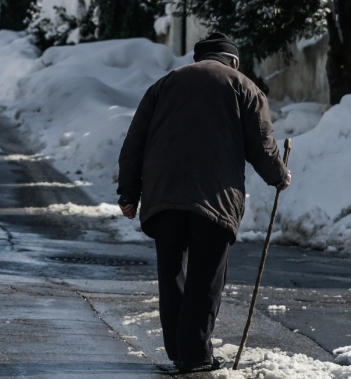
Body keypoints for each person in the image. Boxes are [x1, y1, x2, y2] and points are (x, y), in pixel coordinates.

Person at [116, 32, 291, 374]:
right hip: (215, 199)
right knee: (206, 276)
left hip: (163, 195)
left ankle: (179, 350)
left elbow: (134, 141)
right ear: (234, 61)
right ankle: (195, 355)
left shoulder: (165, 85)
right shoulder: (244, 86)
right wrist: (279, 176)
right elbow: (261, 144)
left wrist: (128, 194)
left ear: (198, 59)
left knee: (173, 274)